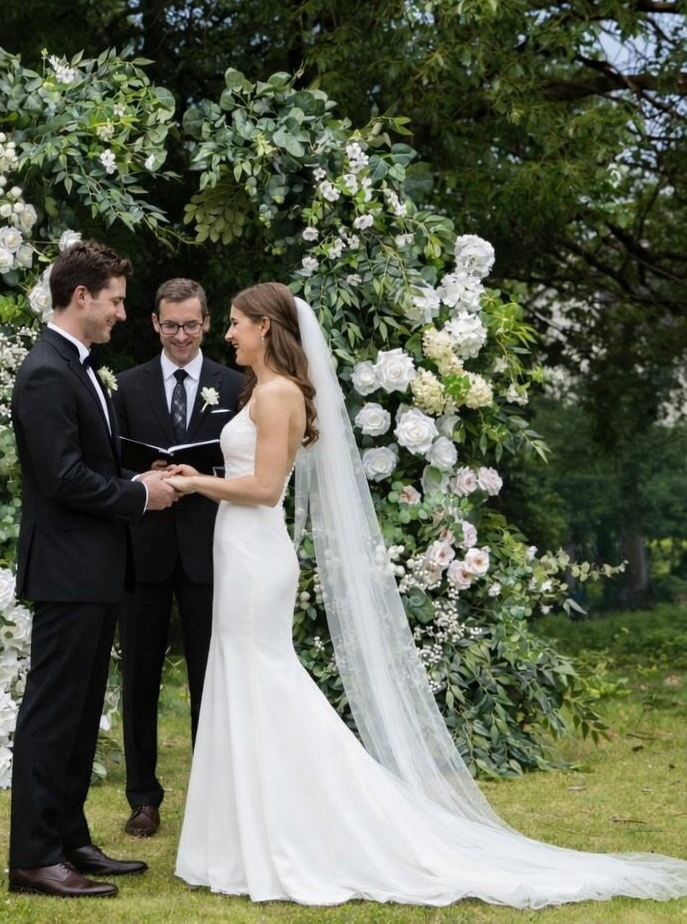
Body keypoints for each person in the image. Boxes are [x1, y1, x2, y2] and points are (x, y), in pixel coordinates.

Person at [166, 281, 687, 907]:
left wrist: (199, 483)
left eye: (237, 323)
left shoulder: (278, 394)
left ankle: (308, 828)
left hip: (255, 555)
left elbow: (266, 489)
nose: (228, 334)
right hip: (241, 551)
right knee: (242, 677)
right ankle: (239, 838)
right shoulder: (264, 391)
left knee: (263, 679)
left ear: (268, 328)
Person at [7, 241, 179, 899]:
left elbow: (90, 465)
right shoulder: (47, 371)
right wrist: (139, 497)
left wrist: (138, 476)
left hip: (93, 569)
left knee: (79, 715)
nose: (121, 313)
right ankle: (32, 858)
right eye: (115, 300)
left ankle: (69, 838)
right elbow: (61, 478)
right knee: (53, 715)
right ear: (82, 297)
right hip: (66, 571)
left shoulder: (77, 366)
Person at [112, 279, 243, 839]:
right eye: (171, 326)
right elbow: (110, 462)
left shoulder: (235, 386)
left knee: (210, 678)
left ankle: (211, 797)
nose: (182, 335)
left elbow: (247, 465)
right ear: (154, 324)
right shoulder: (127, 386)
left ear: (207, 323)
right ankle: (143, 799)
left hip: (209, 549)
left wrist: (200, 480)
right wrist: (144, 480)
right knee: (139, 678)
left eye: (191, 324)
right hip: (143, 549)